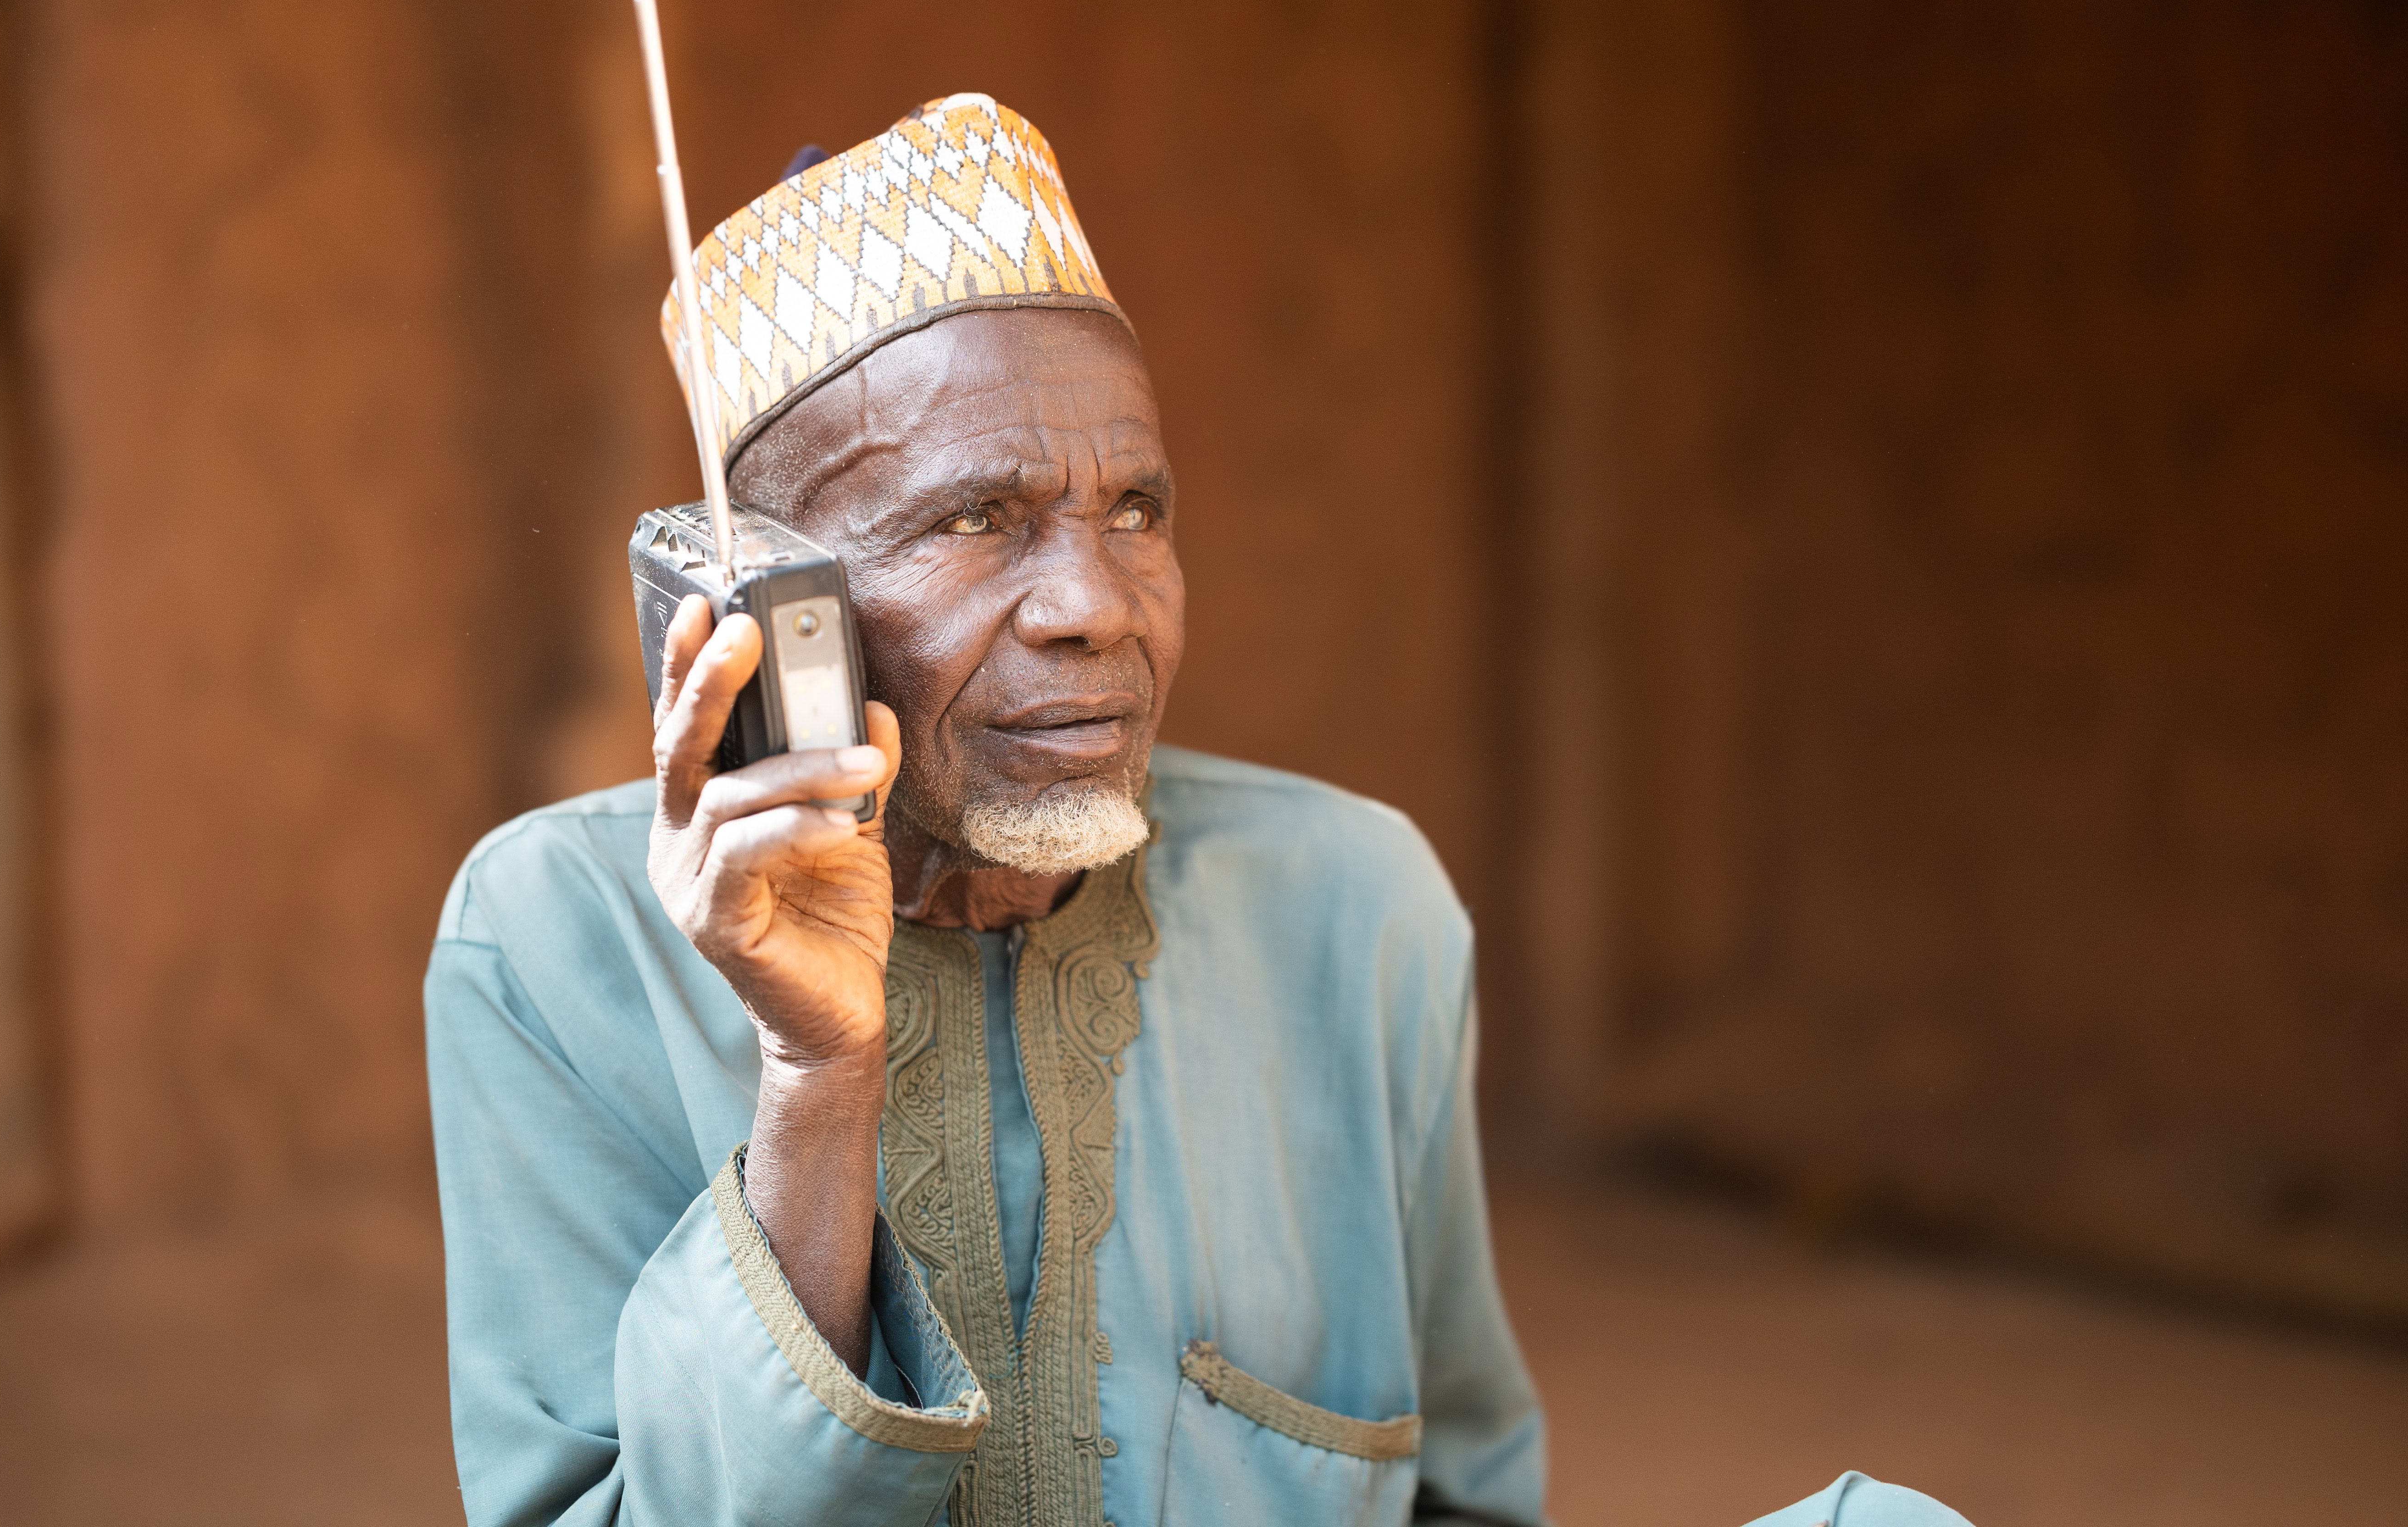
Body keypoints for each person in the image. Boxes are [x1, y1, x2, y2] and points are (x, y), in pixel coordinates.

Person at [426, 94, 1969, 1527]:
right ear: (782, 602)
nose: (1098, 605)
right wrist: (817, 1072)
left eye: (1137, 511)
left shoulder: (1356, 902)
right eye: (977, 520)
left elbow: (1463, 1493)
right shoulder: (550, 938)